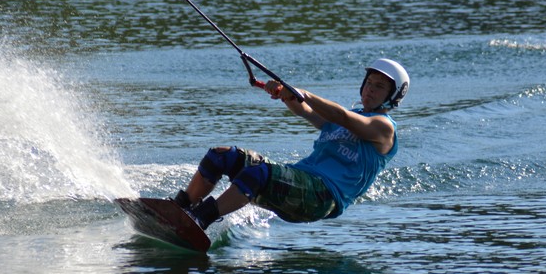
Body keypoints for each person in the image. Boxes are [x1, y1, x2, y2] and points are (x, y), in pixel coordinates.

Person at [174, 58, 410, 230]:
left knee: (258, 174)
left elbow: (342, 117)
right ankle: (179, 209)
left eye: (379, 86)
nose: (370, 89)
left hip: (322, 196)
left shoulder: (384, 129)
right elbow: (306, 111)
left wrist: (304, 93)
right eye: (369, 82)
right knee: (222, 156)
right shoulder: (344, 120)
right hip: (301, 179)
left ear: (394, 95)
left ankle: (198, 220)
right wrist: (285, 93)